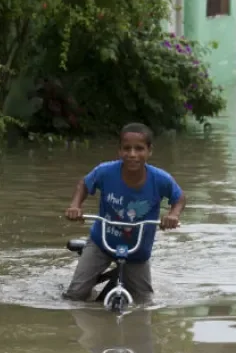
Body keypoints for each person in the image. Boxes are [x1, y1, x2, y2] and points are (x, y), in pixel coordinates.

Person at [63, 122, 186, 302]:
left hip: (137, 251)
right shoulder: (105, 172)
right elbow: (84, 184)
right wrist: (75, 206)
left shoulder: (160, 179)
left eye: (139, 149)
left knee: (144, 303)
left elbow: (180, 198)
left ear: (149, 151)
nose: (132, 154)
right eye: (127, 149)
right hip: (102, 243)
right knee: (75, 295)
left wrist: (173, 215)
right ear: (119, 151)